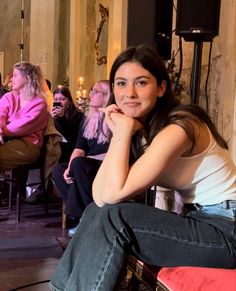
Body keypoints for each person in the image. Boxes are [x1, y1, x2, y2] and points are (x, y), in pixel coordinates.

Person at [49, 44, 236, 291]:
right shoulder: (143, 129)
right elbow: (101, 197)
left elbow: (114, 196)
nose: (129, 93)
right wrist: (120, 133)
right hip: (199, 220)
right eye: (121, 83)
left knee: (116, 217)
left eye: (141, 83)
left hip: (226, 231)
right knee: (95, 211)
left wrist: (123, 131)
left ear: (161, 88)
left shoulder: (181, 126)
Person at [52, 80, 110, 237]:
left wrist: (78, 163)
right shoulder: (88, 121)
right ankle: (86, 217)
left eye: (95, 91)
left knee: (80, 164)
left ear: (107, 96)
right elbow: (79, 148)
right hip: (85, 164)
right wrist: (69, 168)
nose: (90, 94)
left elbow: (113, 152)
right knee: (58, 171)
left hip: (106, 165)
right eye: (91, 91)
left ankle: (84, 219)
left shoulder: (113, 120)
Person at [0, 61, 48, 171]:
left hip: (28, 145)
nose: (11, 79)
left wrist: (3, 130)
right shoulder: (8, 97)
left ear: (27, 78)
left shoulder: (39, 103)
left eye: (15, 75)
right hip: (5, 140)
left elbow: (21, 127)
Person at [51, 85, 84, 163]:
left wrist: (62, 118)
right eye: (56, 99)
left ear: (69, 100)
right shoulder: (52, 114)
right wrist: (50, 120)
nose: (58, 102)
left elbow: (72, 135)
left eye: (62, 99)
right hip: (56, 146)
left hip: (69, 148)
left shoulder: (77, 114)